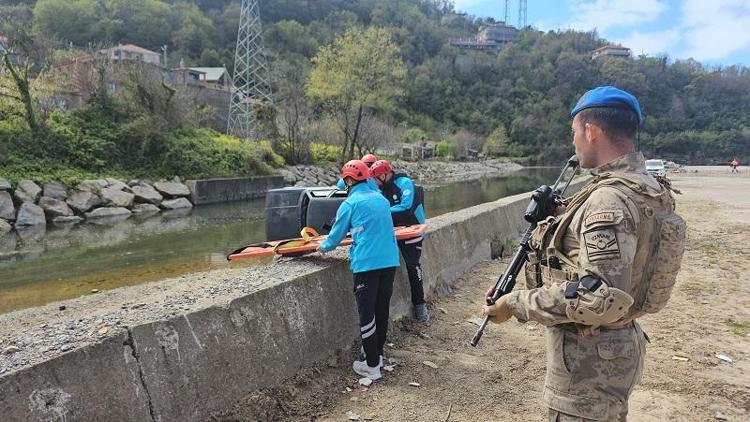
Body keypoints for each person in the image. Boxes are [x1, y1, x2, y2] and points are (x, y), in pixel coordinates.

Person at [482, 86, 686, 421]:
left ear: (591, 131)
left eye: (574, 133)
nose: (573, 142)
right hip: (618, 346)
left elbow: (598, 297)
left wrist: (515, 303)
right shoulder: (649, 187)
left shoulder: (609, 200)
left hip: (587, 365)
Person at [318, 160, 400, 381]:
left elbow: (335, 237)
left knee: (367, 314)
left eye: (345, 180)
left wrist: (322, 246)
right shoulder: (381, 200)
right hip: (390, 261)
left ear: (349, 180)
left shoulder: (350, 203)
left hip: (367, 263)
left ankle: (371, 366)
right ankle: (378, 357)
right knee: (381, 310)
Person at [369, 159, 430, 324]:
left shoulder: (404, 183)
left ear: (384, 174)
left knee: (413, 266)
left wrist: (382, 211)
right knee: (385, 268)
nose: (375, 181)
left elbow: (406, 207)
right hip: (393, 232)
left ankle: (420, 307)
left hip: (412, 230)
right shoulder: (380, 188)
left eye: (376, 178)